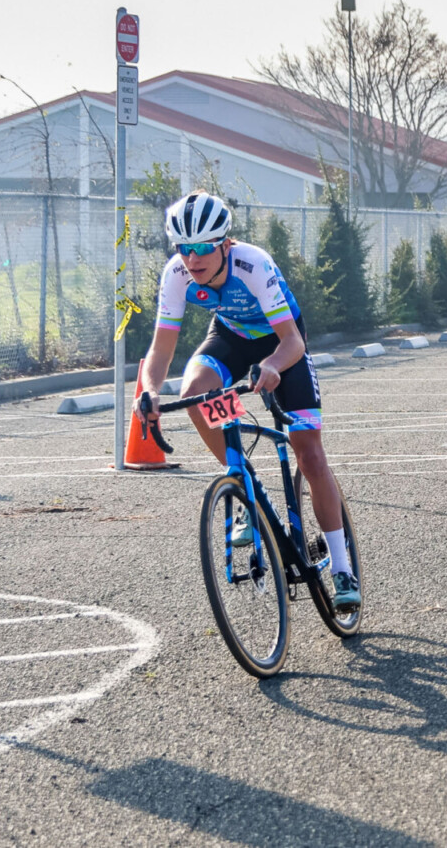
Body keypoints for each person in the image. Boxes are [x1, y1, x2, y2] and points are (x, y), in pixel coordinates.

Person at [136, 191, 360, 613]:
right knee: (194, 392)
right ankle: (246, 485)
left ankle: (342, 567)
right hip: (232, 337)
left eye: (203, 248)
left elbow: (292, 339)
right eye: (184, 248)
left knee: (309, 455)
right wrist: (149, 389)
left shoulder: (252, 263)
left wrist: (273, 365)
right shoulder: (177, 274)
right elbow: (161, 350)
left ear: (225, 244)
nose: (193, 258)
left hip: (281, 342)